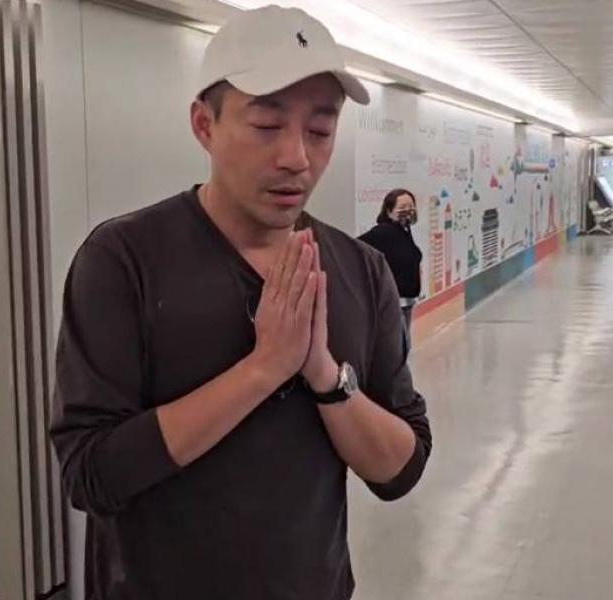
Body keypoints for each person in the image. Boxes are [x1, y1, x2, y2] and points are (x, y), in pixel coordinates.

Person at [50, 6, 432, 600]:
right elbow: (92, 474)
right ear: (204, 125)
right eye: (266, 125)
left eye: (320, 131)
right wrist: (262, 369)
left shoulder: (361, 269)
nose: (296, 157)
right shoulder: (124, 259)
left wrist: (325, 376)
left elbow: (400, 467)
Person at [358, 189, 423, 346]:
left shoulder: (404, 231)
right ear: (389, 211)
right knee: (398, 346)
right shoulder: (383, 232)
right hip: (394, 302)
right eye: (402, 207)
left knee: (403, 345)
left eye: (411, 206)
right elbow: (357, 246)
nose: (408, 211)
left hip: (406, 301)